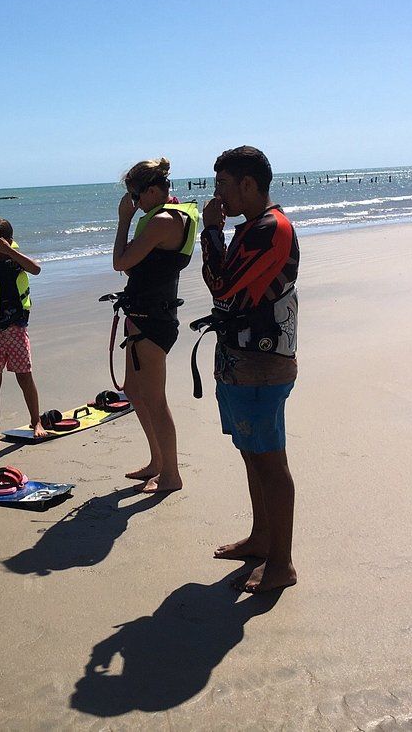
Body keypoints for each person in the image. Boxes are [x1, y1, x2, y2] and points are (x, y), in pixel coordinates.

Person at [200, 145, 299, 594]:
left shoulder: (270, 229)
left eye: (222, 183)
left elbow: (220, 283)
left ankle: (281, 564)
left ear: (247, 184)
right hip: (242, 360)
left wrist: (211, 232)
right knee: (250, 452)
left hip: (262, 364)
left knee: (269, 462)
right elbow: (224, 284)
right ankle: (262, 539)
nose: (217, 193)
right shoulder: (252, 228)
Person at [112, 158, 199, 494]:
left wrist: (123, 220)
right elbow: (133, 267)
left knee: (155, 399)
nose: (134, 204)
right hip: (143, 315)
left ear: (151, 191)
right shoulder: (166, 216)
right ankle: (157, 461)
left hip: (153, 320)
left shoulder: (163, 220)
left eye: (135, 197)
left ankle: (171, 474)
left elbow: (120, 262)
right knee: (134, 391)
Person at [0, 217, 43, 449]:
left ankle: (36, 421)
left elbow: (36, 269)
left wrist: (9, 251)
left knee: (25, 377)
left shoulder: (17, 260)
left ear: (8, 240)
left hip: (16, 328)